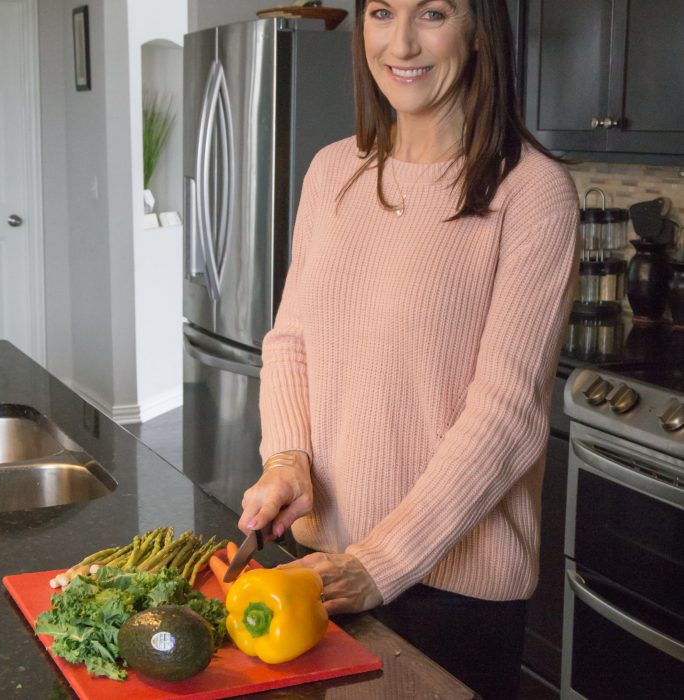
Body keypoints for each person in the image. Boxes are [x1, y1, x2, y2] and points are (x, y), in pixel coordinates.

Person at [238, 1, 579, 697]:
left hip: (449, 598)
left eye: (432, 13)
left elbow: (507, 415)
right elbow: (291, 342)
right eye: (382, 12)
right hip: (319, 572)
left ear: (479, 29)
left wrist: (380, 562)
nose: (400, 43)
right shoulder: (334, 171)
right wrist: (287, 459)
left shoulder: (534, 193)